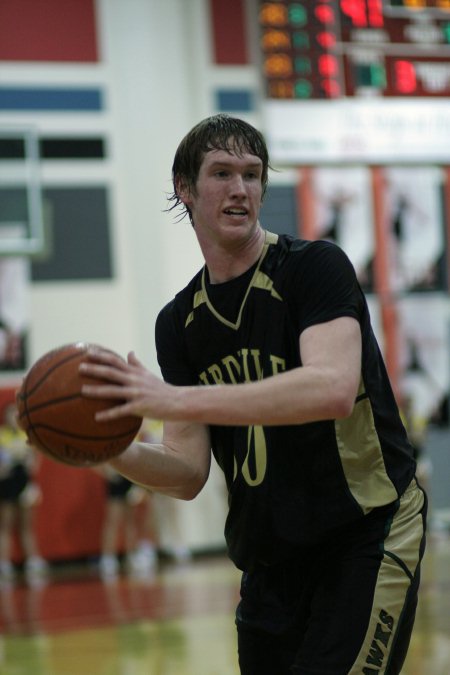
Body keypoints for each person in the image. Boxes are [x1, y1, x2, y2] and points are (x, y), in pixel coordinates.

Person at [76, 114, 425, 674]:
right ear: (185, 189)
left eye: (252, 174)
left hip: (364, 533)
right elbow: (187, 472)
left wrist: (172, 400)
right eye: (221, 173)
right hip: (271, 559)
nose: (240, 189)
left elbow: (331, 388)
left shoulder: (315, 268)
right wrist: (103, 448)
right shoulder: (179, 323)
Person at [0, 404, 47, 583]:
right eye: (9, 415)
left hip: (25, 482)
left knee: (27, 525)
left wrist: (31, 462)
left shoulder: (27, 436)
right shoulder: (1, 435)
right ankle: (4, 563)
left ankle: (33, 561)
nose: (13, 418)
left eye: (15, 415)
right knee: (6, 524)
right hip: (7, 484)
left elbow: (35, 462)